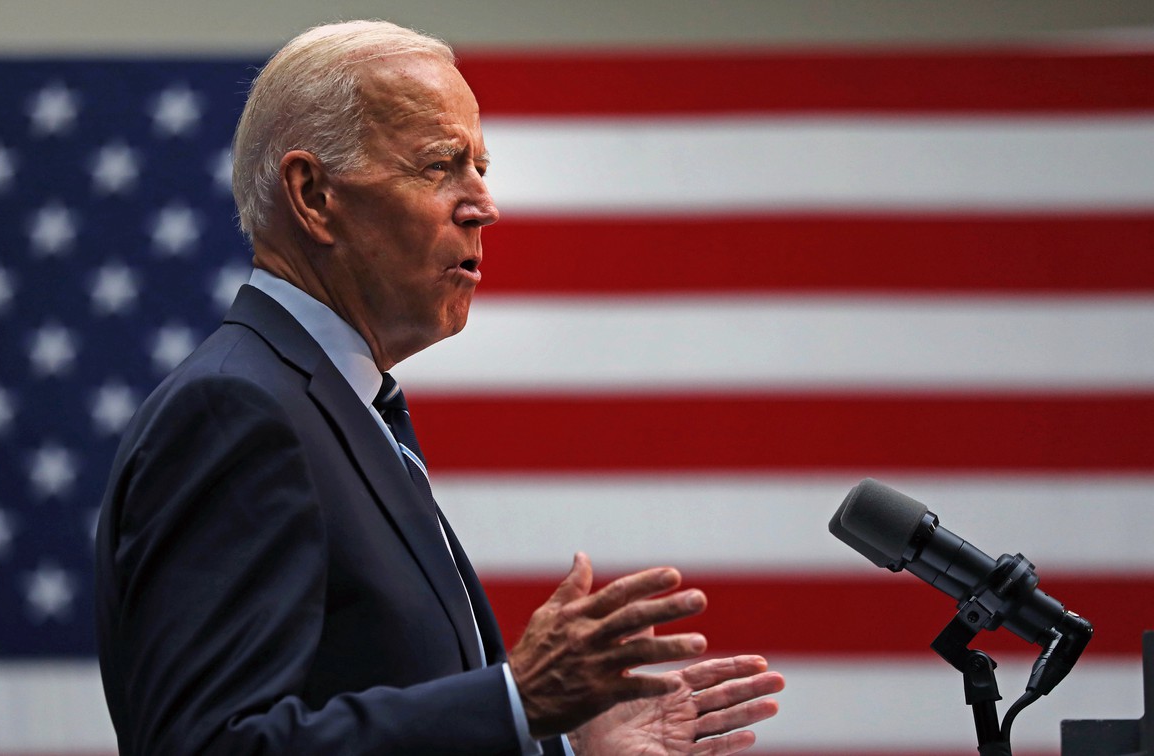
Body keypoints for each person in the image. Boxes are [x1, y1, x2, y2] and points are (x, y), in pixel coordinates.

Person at [95, 19, 784, 755]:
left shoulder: (347, 411)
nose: (483, 205)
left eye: (480, 168)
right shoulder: (237, 412)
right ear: (313, 194)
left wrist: (562, 747)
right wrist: (514, 704)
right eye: (439, 166)